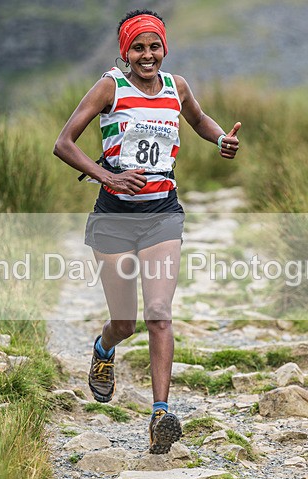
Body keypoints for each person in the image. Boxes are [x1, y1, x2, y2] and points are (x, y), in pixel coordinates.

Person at [53, 9, 240, 454]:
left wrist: (219, 140)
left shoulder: (178, 87)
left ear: (164, 48)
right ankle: (103, 348)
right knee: (126, 321)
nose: (147, 55)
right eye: (138, 47)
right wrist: (108, 177)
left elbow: (198, 119)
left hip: (163, 216)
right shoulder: (109, 87)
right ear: (125, 52)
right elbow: (63, 144)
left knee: (159, 312)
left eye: (154, 46)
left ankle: (161, 414)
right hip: (114, 218)